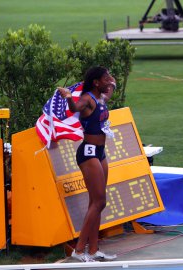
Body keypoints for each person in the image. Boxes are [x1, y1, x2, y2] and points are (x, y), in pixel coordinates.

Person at [58, 66, 117, 262]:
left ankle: (93, 250)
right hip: (88, 152)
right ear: (96, 82)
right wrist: (68, 96)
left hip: (100, 153)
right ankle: (79, 248)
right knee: (100, 201)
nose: (109, 80)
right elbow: (75, 108)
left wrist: (112, 84)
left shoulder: (100, 98)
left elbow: (108, 94)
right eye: (105, 78)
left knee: (96, 203)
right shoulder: (87, 100)